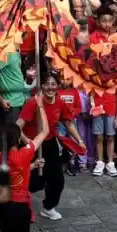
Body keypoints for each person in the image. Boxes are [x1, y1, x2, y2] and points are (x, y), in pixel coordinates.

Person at [16, 74, 86, 221]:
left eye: (53, 84)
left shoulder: (60, 102)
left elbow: (68, 123)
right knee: (34, 182)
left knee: (57, 179)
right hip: (32, 146)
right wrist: (28, 142)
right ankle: (17, 201)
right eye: (46, 84)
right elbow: (17, 127)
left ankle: (48, 207)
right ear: (41, 86)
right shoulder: (33, 103)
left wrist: (79, 140)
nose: (50, 87)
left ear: (58, 86)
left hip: (49, 143)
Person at [0, 96, 49, 232]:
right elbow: (45, 131)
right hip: (19, 207)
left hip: (2, 206)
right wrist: (40, 106)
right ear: (16, 140)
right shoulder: (23, 154)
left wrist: (31, 166)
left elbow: (12, 172)